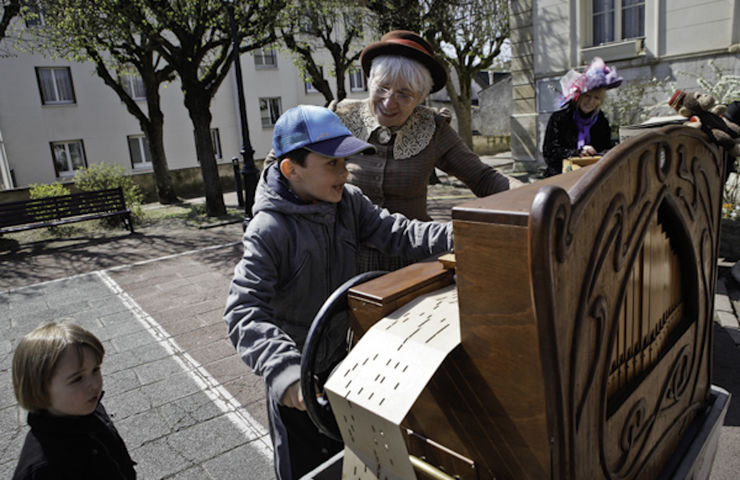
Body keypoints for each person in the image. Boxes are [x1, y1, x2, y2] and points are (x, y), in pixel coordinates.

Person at [223, 104, 453, 480]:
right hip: (298, 375)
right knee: (306, 468)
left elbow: (400, 232)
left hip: (343, 365)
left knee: (348, 458)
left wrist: (460, 231)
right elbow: (243, 309)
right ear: (290, 170)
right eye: (332, 164)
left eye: (346, 163)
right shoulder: (270, 229)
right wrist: (286, 371)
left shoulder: (347, 203)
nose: (345, 173)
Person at [12, 321, 136, 480]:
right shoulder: (43, 469)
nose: (94, 384)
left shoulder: (90, 409)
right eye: (77, 378)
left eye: (95, 370)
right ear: (38, 387)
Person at [542, 57, 623, 177]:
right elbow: (550, 153)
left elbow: (606, 150)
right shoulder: (560, 118)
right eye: (587, 96)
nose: (591, 102)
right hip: (560, 178)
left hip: (591, 178)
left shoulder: (601, 121)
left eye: (596, 98)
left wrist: (595, 154)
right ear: (579, 96)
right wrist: (578, 152)